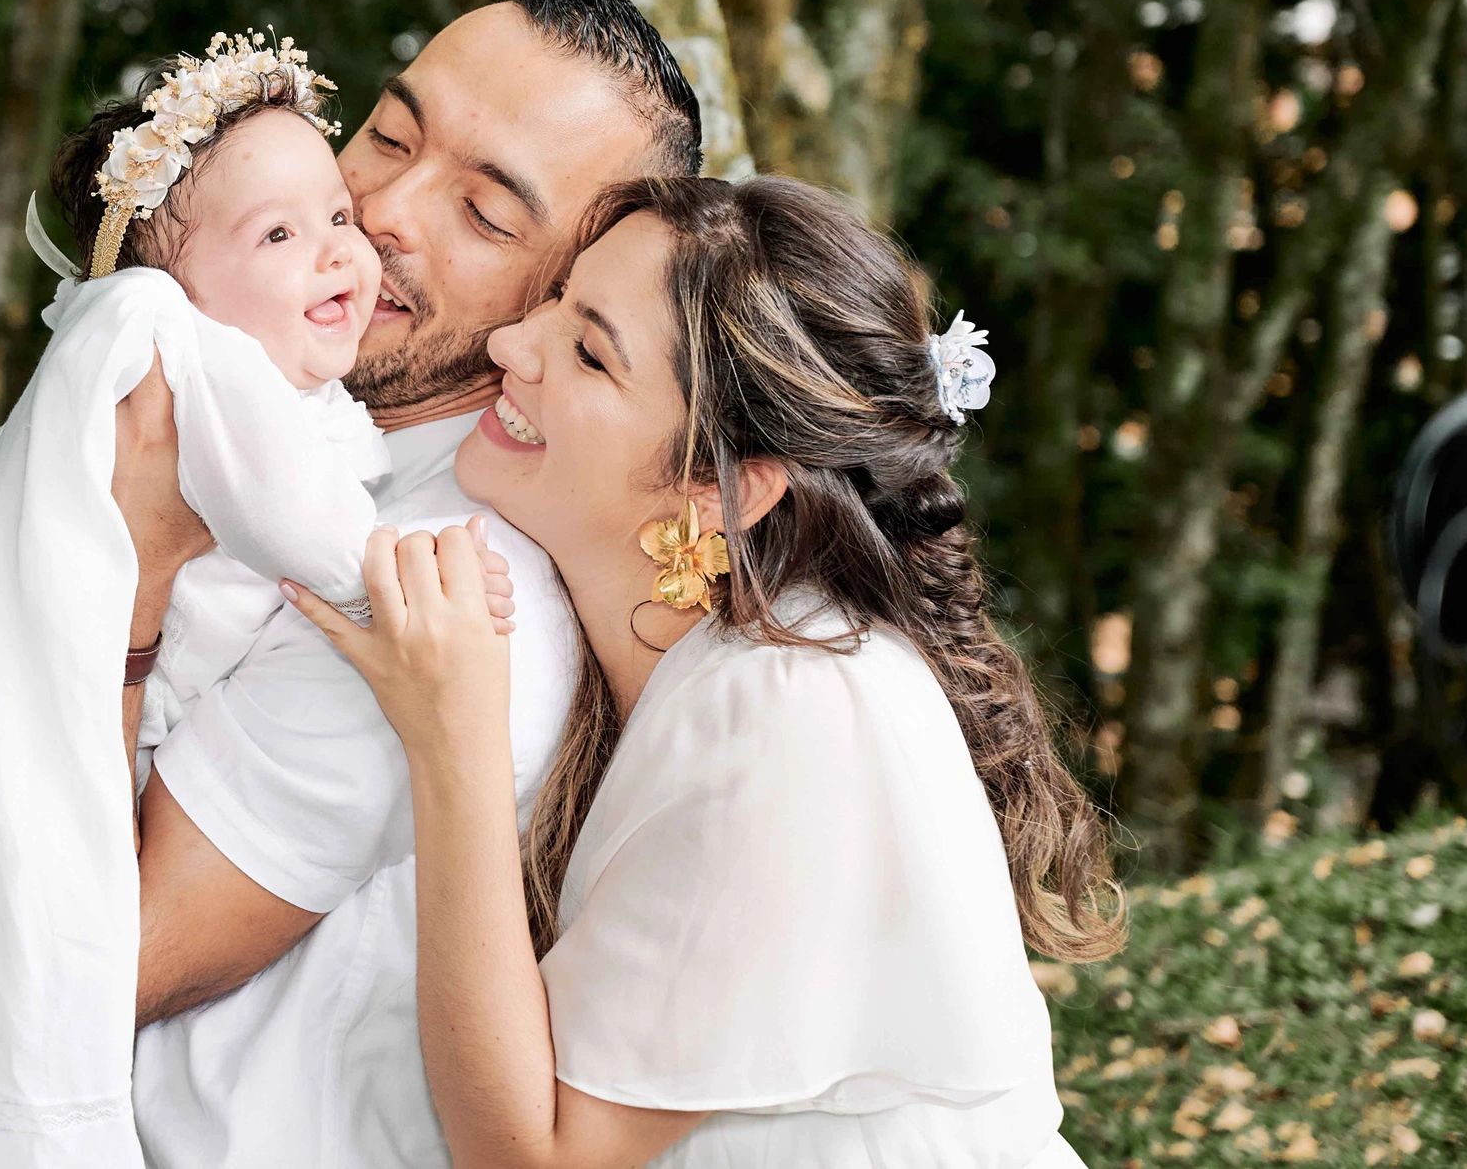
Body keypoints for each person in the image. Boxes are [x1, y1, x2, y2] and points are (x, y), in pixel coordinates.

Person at [288, 175, 1123, 1168]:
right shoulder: (726, 667)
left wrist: (452, 739)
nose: (512, 343)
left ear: (723, 487)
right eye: (555, 301)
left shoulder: (787, 713)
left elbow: (532, 1160)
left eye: (590, 351)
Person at [0, 33, 438, 1164]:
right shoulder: (172, 352)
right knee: (53, 942)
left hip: (155, 726)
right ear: (167, 286)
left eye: (337, 214)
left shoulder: (285, 378)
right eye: (278, 236)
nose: (340, 253)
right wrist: (392, 576)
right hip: (86, 708)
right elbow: (304, 525)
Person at [115, 0, 707, 1165]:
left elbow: (102, 957)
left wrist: (133, 560)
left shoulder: (446, 585)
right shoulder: (268, 416)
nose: (379, 206)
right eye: (388, 132)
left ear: (568, 294)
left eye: (486, 215)